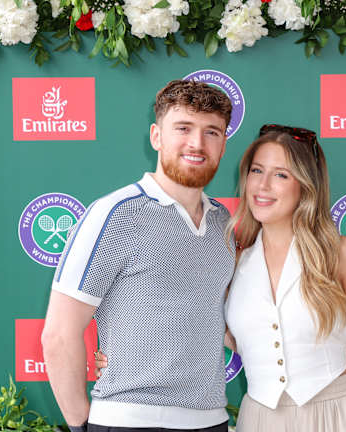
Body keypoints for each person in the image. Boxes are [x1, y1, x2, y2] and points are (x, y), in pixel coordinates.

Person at [41, 79, 235, 432]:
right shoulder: (114, 214)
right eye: (183, 128)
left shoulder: (224, 223)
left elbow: (225, 319)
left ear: (223, 146)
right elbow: (59, 333)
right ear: (156, 136)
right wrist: (81, 425)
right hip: (130, 420)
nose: (197, 143)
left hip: (212, 421)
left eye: (212, 132)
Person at [223, 124, 346, 432]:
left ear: (305, 184)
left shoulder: (340, 253)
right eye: (257, 170)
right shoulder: (232, 260)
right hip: (259, 419)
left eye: (280, 175)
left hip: (337, 415)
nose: (262, 186)